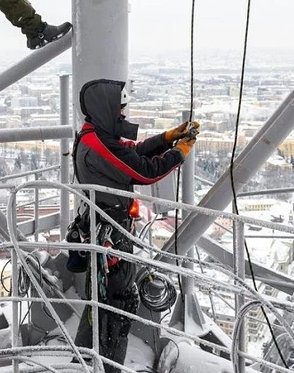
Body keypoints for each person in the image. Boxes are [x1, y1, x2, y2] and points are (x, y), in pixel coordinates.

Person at [69, 78, 198, 373]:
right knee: (119, 301)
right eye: (121, 109)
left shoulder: (96, 136)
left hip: (107, 228)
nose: (124, 115)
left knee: (102, 300)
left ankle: (88, 360)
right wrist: (179, 153)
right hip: (110, 232)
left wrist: (167, 139)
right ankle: (106, 366)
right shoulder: (97, 145)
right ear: (106, 110)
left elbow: (133, 152)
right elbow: (143, 170)